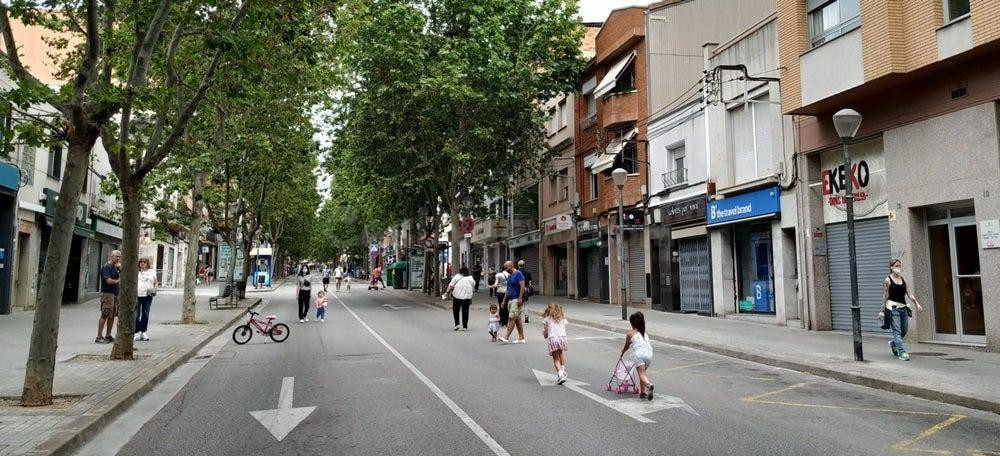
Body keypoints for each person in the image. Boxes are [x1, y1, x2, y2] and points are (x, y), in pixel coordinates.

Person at [880, 259, 923, 361]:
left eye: (899, 266)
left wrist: (917, 304)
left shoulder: (903, 279)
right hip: (893, 309)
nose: (898, 268)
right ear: (891, 267)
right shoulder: (887, 280)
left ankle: (893, 343)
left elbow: (909, 293)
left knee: (904, 330)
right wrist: (882, 310)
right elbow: (885, 296)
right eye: (896, 266)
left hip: (903, 308)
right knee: (897, 331)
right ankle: (902, 352)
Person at [621, 311, 653, 400]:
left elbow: (626, 347)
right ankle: (643, 392)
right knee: (643, 373)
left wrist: (622, 351)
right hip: (649, 354)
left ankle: (649, 385)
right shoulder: (644, 333)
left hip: (640, 354)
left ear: (632, 323)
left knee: (641, 373)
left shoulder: (630, 334)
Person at [498, 261, 526, 344]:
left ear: (511, 266)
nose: (505, 269)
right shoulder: (509, 276)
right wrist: (504, 300)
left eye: (507, 267)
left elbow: (522, 286)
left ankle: (506, 337)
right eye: (504, 268)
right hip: (510, 299)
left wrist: (520, 298)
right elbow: (508, 289)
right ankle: (521, 337)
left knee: (512, 317)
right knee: (517, 319)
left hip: (516, 299)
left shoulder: (518, 274)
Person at [97, 250, 121, 343]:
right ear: (111, 256)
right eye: (116, 256)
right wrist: (119, 280)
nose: (118, 258)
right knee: (105, 314)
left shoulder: (116, 267)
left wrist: (120, 268)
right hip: (107, 294)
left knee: (112, 315)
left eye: (119, 257)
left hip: (115, 293)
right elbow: (108, 281)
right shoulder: (106, 267)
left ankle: (108, 335)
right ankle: (99, 336)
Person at [542, 303, 569, 384]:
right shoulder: (562, 318)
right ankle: (563, 370)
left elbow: (546, 332)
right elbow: (563, 328)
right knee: (560, 353)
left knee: (556, 358)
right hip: (562, 338)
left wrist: (545, 334)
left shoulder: (547, 319)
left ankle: (560, 375)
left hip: (553, 339)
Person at [135, 257, 158, 341]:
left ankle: (143, 332)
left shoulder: (151, 272)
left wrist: (154, 289)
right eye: (141, 262)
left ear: (147, 263)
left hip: (148, 296)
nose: (142, 263)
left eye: (144, 262)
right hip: (137, 295)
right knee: (136, 315)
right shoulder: (136, 271)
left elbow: (156, 282)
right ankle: (137, 332)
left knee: (145, 314)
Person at [447, 266, 476, 330]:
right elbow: (474, 285)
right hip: (467, 297)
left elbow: (451, 285)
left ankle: (457, 324)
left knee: (456, 311)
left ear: (460, 271)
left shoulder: (456, 277)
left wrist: (447, 292)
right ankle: (465, 326)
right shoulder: (470, 278)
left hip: (457, 296)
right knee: (465, 311)